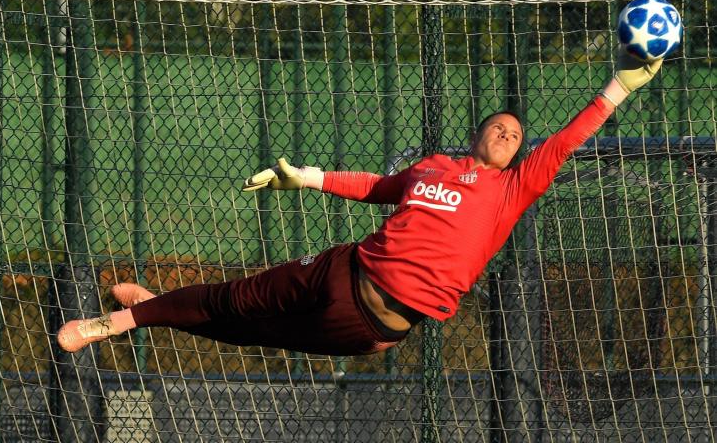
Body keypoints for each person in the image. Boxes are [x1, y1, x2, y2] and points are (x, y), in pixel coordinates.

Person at [57, 51, 662, 356]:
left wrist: (617, 87)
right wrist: (308, 178)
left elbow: (564, 141)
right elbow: (375, 187)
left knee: (255, 334)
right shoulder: (432, 168)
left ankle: (156, 308)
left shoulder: (511, 190)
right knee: (233, 299)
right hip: (346, 269)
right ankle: (115, 322)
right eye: (499, 125)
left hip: (374, 325)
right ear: (477, 132)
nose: (509, 133)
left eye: (516, 135)